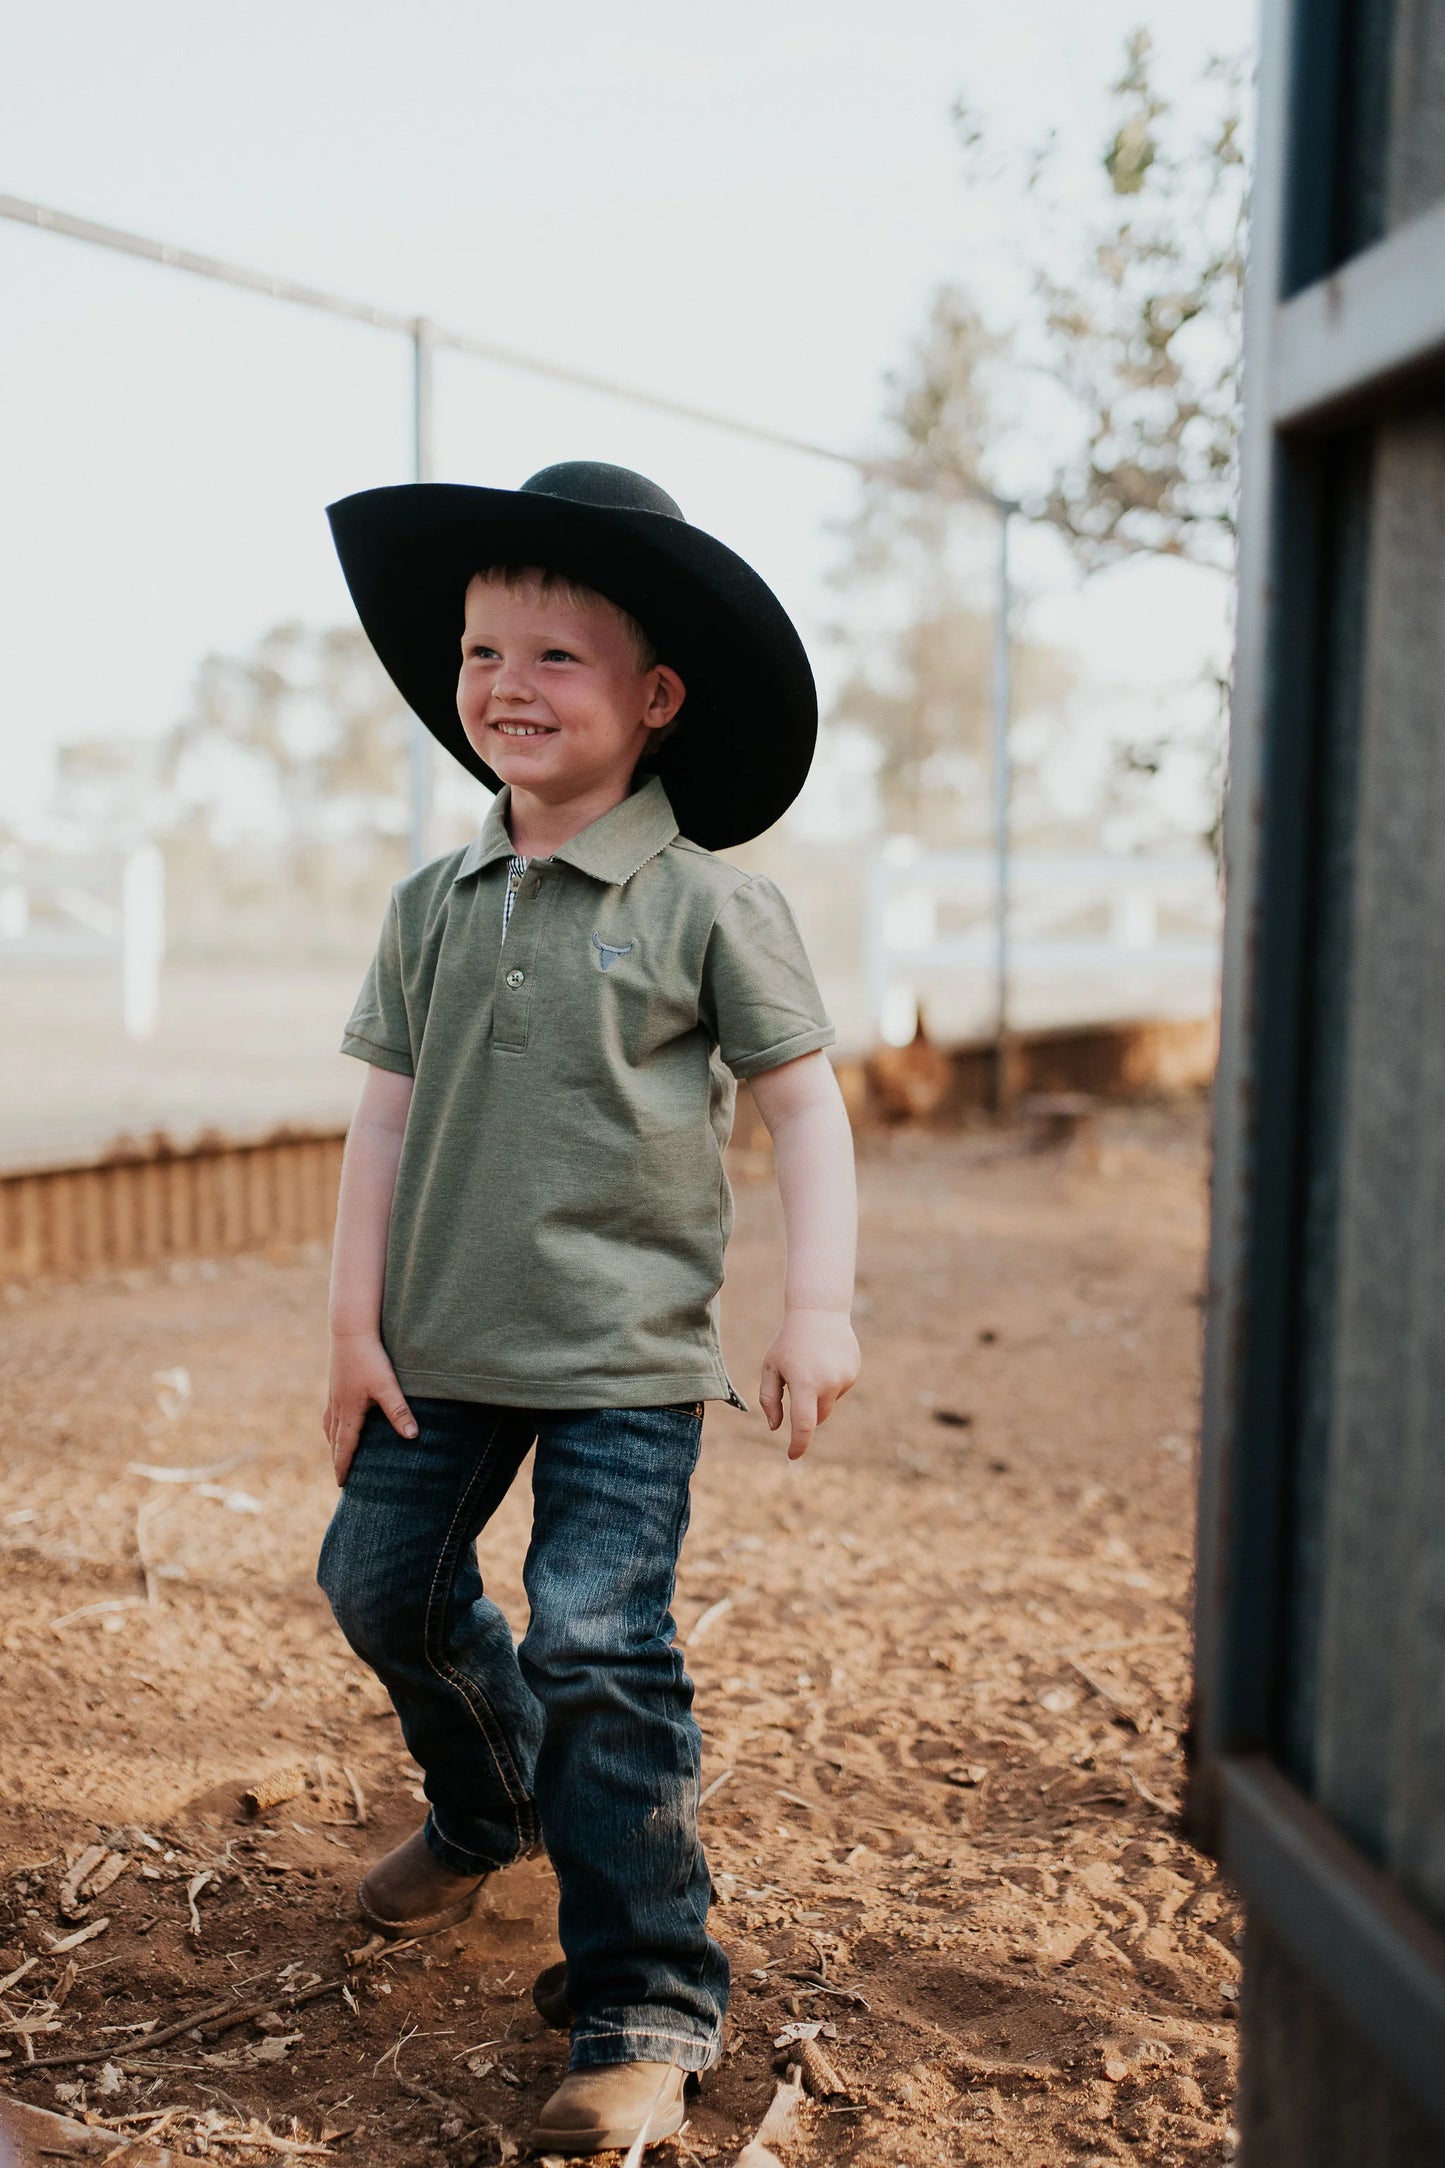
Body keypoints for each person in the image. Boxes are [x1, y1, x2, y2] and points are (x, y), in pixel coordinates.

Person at [315, 462, 860, 2155]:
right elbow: (384, 1120)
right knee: (379, 1590)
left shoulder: (708, 902)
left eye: (556, 656)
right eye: (484, 652)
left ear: (653, 700)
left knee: (600, 1643)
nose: (507, 684)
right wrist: (349, 1321)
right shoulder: (435, 902)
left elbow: (804, 1109)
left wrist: (815, 1307)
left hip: (624, 1362)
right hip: (439, 1349)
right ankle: (491, 1807)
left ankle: (644, 1994)